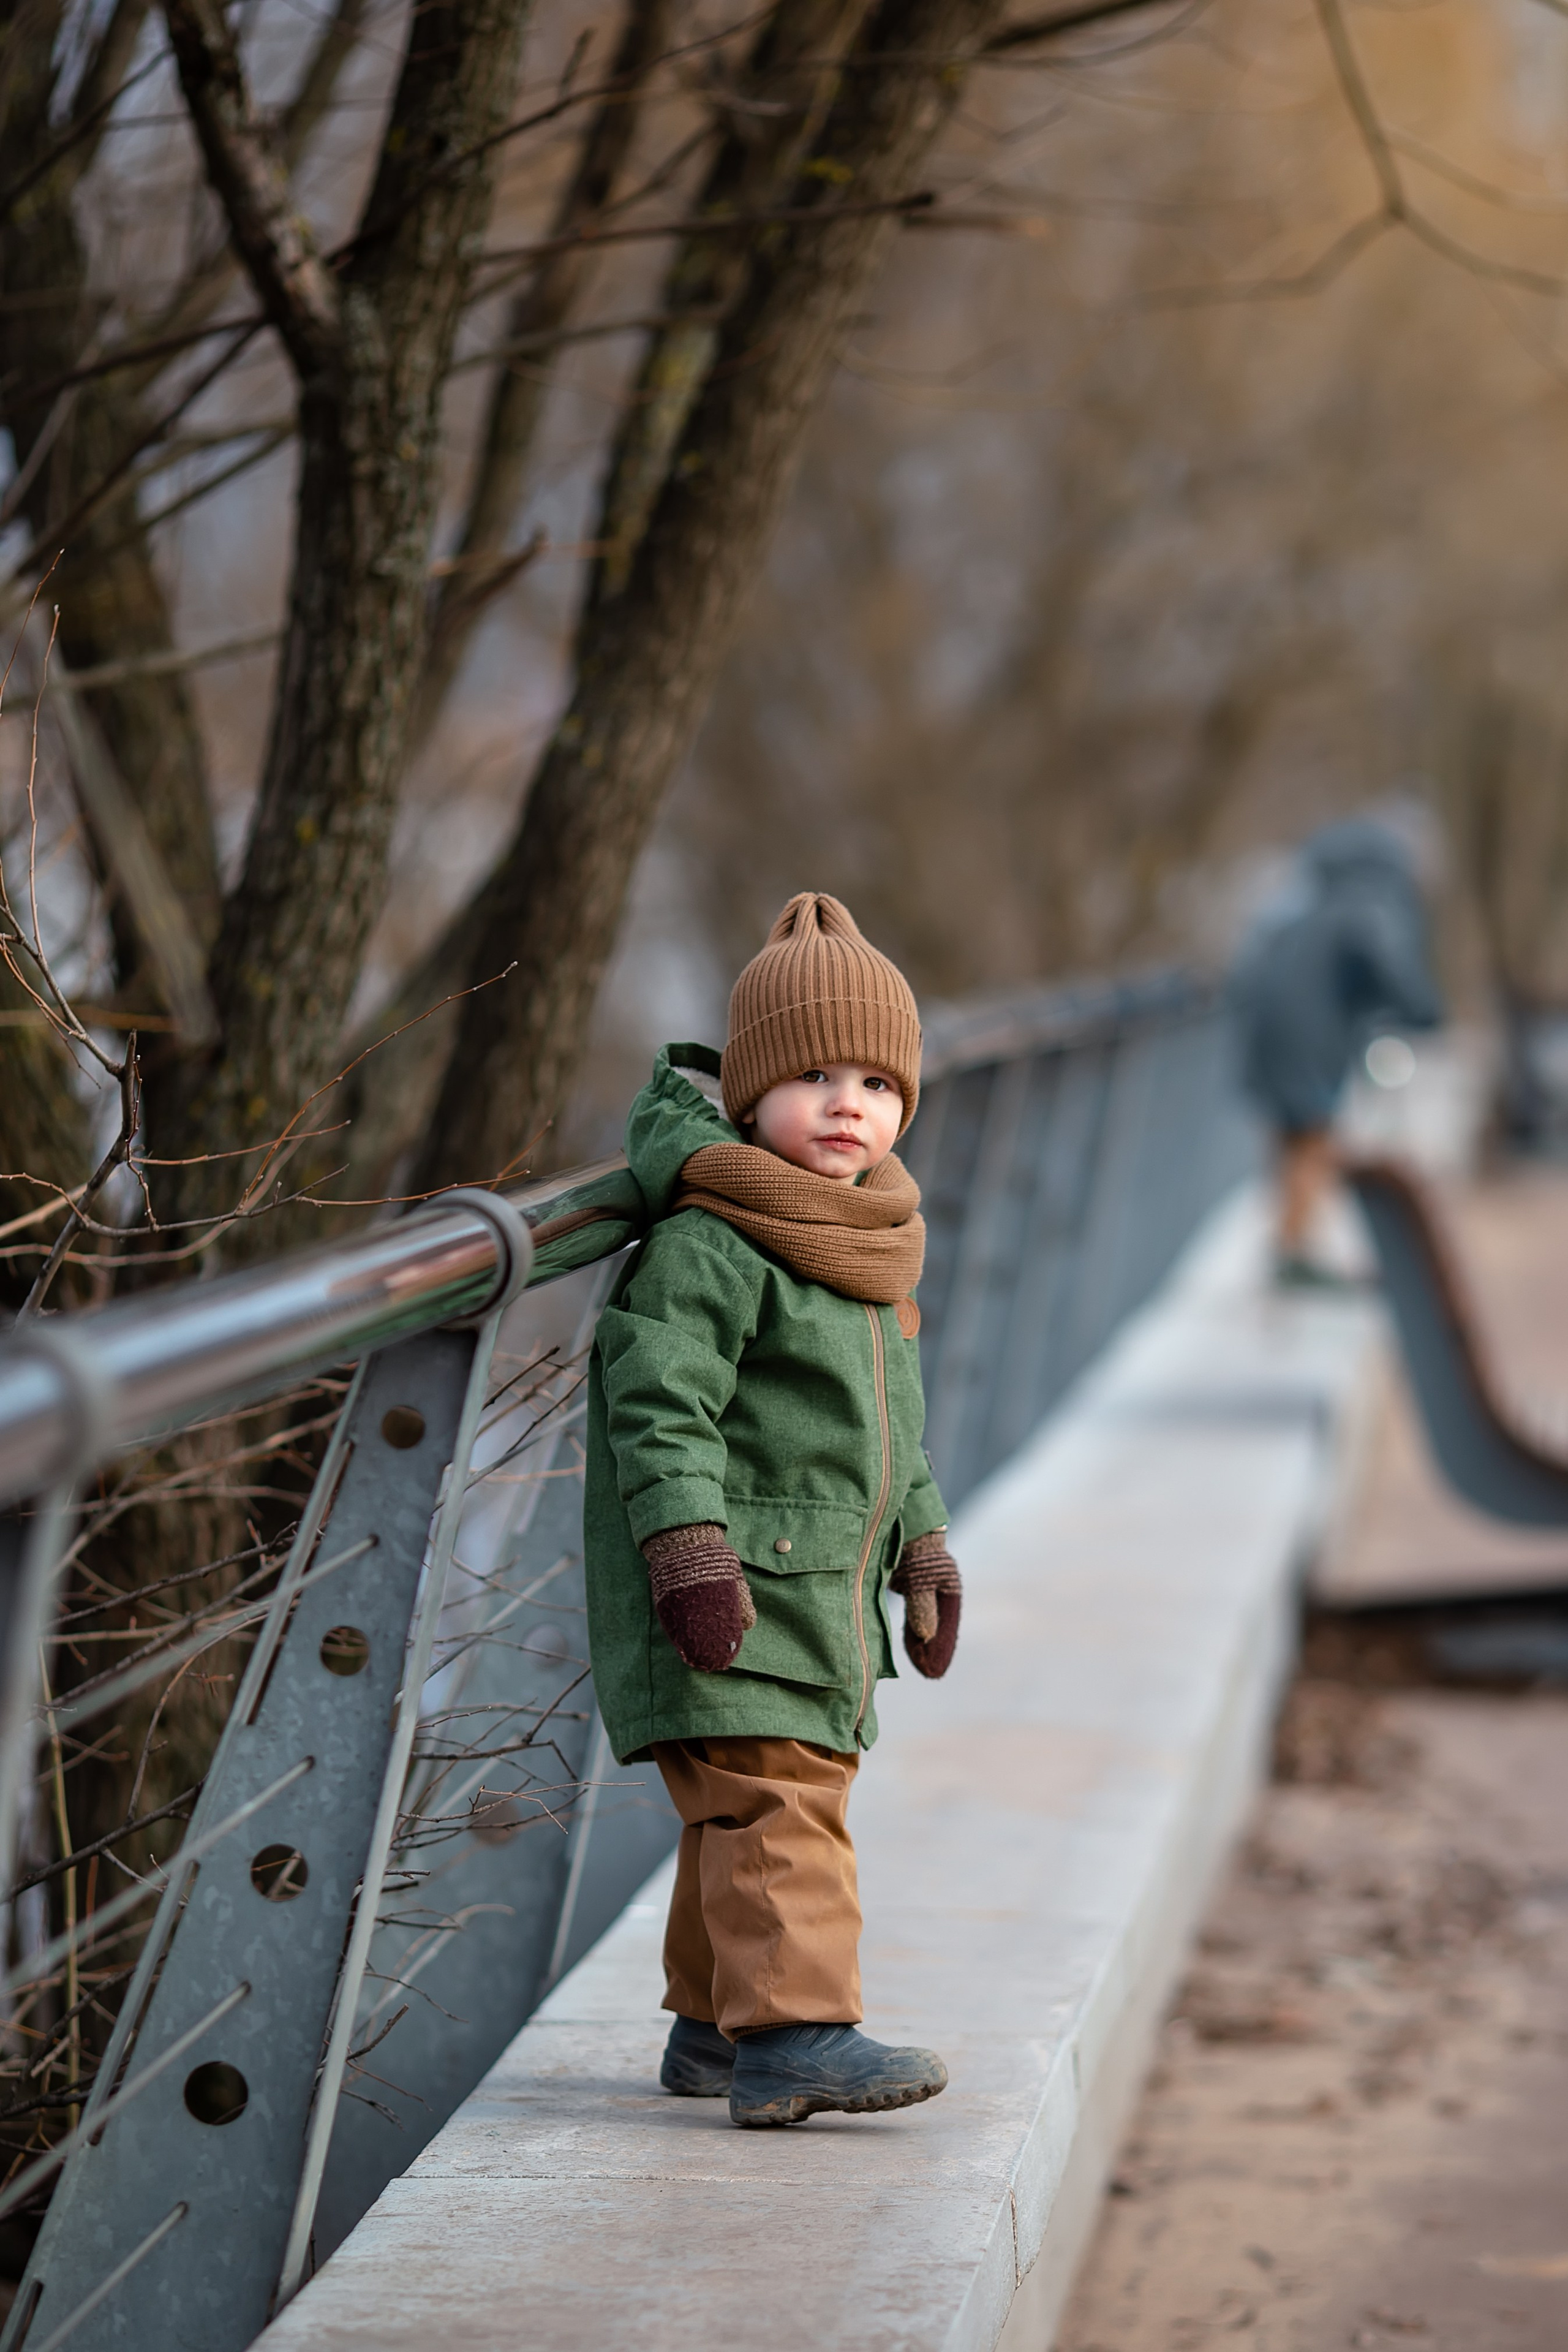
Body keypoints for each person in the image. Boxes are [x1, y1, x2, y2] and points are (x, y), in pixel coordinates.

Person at [584, 892, 961, 2128]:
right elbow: (659, 1405)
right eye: (810, 1073)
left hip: (817, 1595)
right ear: (747, 1094)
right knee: (777, 1802)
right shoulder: (717, 1236)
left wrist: (925, 1542)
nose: (847, 1101)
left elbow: (888, 1429)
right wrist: (687, 1547)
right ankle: (796, 2032)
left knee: (751, 1805)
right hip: (734, 1589)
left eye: (874, 1079)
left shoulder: (859, 1243)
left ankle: (711, 2026)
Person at [1230, 817, 1444, 1285]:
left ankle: (1290, 1243)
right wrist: (1424, 1010)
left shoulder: (1307, 902)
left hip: (1272, 1029)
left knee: (1292, 1135)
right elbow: (1384, 961)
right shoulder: (1365, 905)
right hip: (1310, 1036)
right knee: (1314, 1136)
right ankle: (1294, 1253)